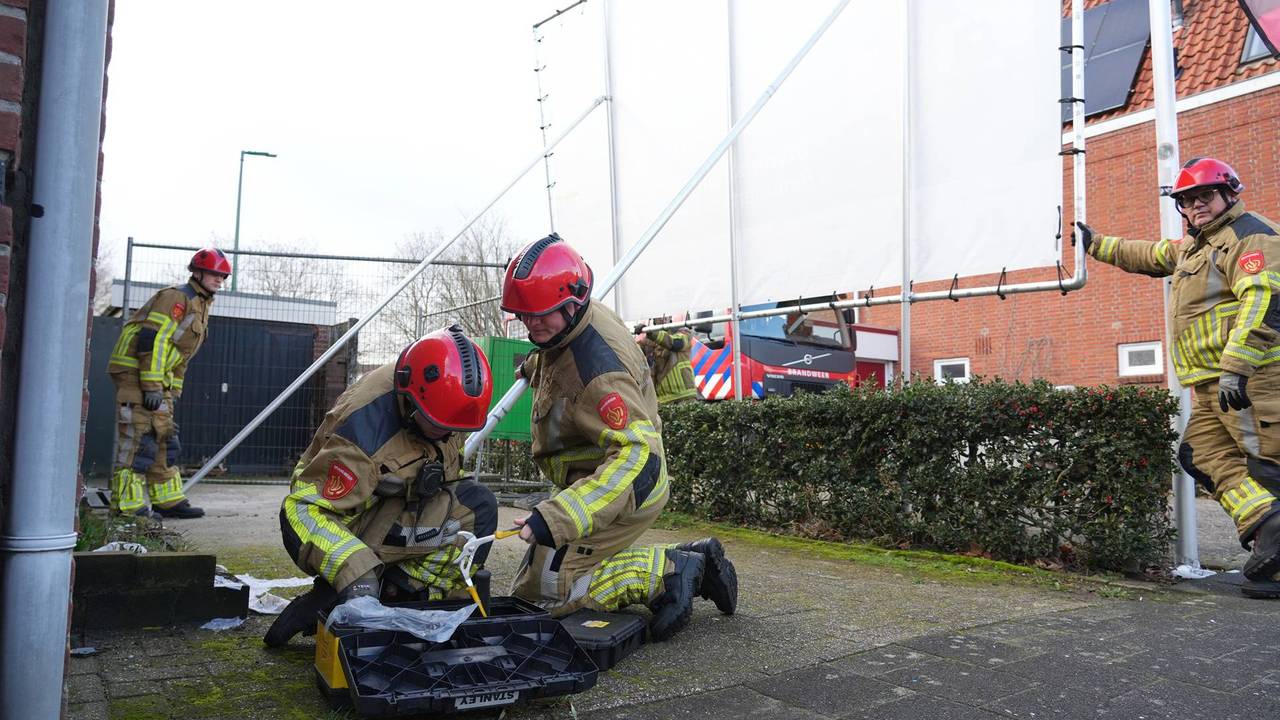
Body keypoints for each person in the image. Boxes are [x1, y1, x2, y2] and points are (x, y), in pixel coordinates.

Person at [502, 233, 737, 640]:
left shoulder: (601, 374)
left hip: (623, 487)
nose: (531, 324)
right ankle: (689, 558)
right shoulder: (574, 321)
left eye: (541, 315)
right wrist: (537, 361)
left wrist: (558, 516)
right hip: (595, 483)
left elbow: (637, 461)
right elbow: (560, 350)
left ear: (573, 301)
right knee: (531, 585)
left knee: (547, 596)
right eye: (524, 316)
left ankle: (669, 572)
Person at [1078, 157, 1280, 599]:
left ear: (1229, 192)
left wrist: (1237, 367)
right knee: (1199, 454)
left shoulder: (1250, 236)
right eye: (1186, 201)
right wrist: (1093, 244)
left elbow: (1265, 298)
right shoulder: (1195, 247)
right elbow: (1148, 255)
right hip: (1211, 384)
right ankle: (1269, 526)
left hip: (1253, 378)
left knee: (1265, 466)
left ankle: (1272, 551)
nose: (1194, 207)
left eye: (1204, 196)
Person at [264, 325, 500, 647]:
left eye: (454, 430)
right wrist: (356, 576)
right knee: (359, 579)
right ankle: (345, 593)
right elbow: (301, 511)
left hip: (399, 512)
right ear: (410, 400)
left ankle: (403, 593)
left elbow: (445, 479)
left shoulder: (445, 407)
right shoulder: (364, 435)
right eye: (439, 426)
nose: (448, 435)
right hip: (351, 526)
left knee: (476, 509)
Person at [106, 247, 230, 520]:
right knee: (139, 439)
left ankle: (167, 500)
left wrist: (171, 391)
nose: (219, 280)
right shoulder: (176, 297)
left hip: (158, 381)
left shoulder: (201, 304)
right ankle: (128, 507)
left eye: (223, 276)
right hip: (136, 374)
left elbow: (180, 356)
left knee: (164, 436)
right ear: (197, 272)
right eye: (214, 274)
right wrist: (151, 386)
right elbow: (154, 340)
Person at [636, 321, 700, 405]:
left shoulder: (684, 334)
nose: (663, 319)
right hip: (663, 399)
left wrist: (651, 332)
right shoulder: (650, 340)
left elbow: (675, 343)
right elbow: (634, 350)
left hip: (684, 396)